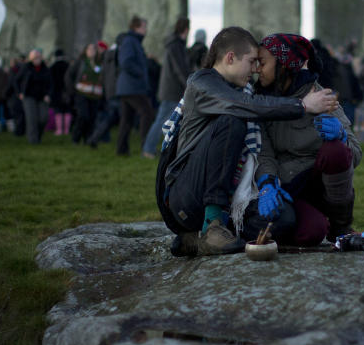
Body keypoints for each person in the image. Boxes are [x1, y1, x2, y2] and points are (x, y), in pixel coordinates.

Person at [159, 26, 339, 257]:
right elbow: (240, 105)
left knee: (284, 218)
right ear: (230, 58)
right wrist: (303, 106)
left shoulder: (243, 92)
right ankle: (213, 226)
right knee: (232, 120)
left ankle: (194, 240)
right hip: (187, 196)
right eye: (252, 61)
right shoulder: (202, 83)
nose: (255, 69)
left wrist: (266, 185)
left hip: (229, 196)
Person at [245, 33, 362, 247]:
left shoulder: (320, 97)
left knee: (336, 151)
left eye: (262, 63)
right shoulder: (262, 101)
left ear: (284, 64)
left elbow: (354, 154)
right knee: (310, 234)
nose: (256, 69)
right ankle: (315, 221)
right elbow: (265, 153)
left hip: (323, 186)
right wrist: (267, 183)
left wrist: (342, 137)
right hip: (289, 188)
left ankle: (340, 226)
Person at [143, 17, 192, 158]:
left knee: (167, 121)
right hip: (172, 90)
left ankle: (154, 149)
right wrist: (189, 84)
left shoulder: (175, 44)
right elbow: (179, 69)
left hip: (170, 88)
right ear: (186, 29)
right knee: (161, 121)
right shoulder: (175, 46)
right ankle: (148, 149)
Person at [115, 15, 155, 157]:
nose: (146, 30)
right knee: (147, 113)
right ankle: (146, 147)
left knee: (127, 120)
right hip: (132, 87)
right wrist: (140, 73)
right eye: (144, 27)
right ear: (136, 27)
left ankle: (121, 150)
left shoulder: (133, 41)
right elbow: (126, 62)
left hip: (128, 87)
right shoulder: (130, 41)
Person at [66, 43, 103, 144]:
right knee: (83, 116)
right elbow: (69, 75)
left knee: (92, 118)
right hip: (81, 94)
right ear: (85, 51)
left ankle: (88, 138)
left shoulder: (99, 64)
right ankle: (76, 137)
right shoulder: (80, 62)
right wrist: (71, 90)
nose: (91, 51)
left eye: (93, 49)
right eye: (89, 49)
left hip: (95, 95)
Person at [16, 49, 53, 144]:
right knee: (31, 118)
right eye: (34, 57)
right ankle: (33, 140)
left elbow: (51, 83)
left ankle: (39, 136)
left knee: (43, 118)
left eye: (38, 57)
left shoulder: (46, 69)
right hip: (28, 96)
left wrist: (48, 94)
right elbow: (16, 80)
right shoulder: (26, 68)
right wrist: (20, 92)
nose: (37, 59)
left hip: (42, 96)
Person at [49, 49, 71, 136]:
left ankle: (59, 130)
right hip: (67, 91)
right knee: (67, 111)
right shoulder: (68, 65)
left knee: (58, 111)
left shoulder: (53, 67)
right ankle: (66, 130)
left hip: (56, 91)